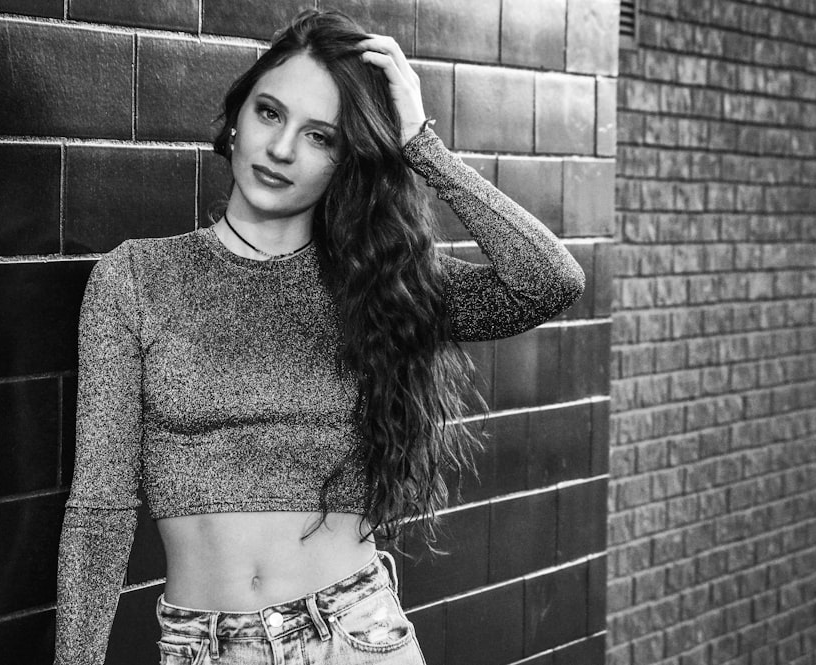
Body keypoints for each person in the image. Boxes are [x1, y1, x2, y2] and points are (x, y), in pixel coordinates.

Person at [54, 9, 585, 665]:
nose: (281, 150)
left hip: (356, 634)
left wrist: (422, 145)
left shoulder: (379, 283)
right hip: (208, 646)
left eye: (320, 136)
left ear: (346, 160)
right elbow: (100, 508)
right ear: (235, 117)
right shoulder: (135, 278)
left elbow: (547, 281)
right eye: (270, 113)